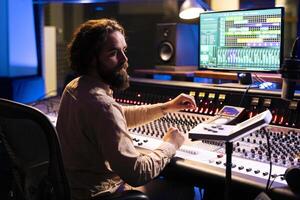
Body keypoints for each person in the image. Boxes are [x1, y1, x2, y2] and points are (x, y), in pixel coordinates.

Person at [56, 18, 196, 200]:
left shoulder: (75, 87)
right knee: (184, 189)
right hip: (100, 195)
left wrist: (166, 107)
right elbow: (137, 173)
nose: (124, 59)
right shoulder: (102, 106)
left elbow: (118, 116)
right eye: (113, 53)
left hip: (74, 191)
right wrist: (171, 144)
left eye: (124, 50)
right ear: (91, 59)